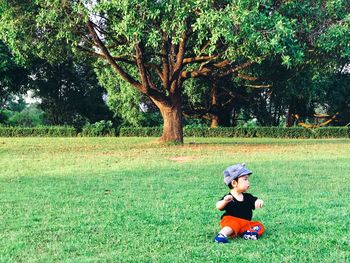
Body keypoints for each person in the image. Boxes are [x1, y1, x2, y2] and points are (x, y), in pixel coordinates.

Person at [214, 163, 265, 243]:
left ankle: (247, 233)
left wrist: (259, 201)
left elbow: (254, 202)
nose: (248, 182)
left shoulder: (247, 197)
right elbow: (218, 206)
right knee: (233, 224)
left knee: (259, 225)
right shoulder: (228, 198)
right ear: (234, 183)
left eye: (247, 179)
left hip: (244, 223)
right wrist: (224, 201)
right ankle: (221, 235)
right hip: (230, 220)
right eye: (245, 179)